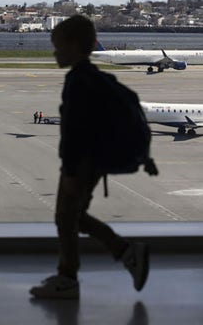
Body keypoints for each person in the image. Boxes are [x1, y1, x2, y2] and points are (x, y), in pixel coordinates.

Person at [29, 15, 149, 299]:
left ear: (73, 46)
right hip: (94, 161)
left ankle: (69, 277)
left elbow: (74, 132)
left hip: (81, 164)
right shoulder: (96, 79)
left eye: (57, 47)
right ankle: (123, 253)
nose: (55, 53)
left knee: (65, 218)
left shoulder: (78, 82)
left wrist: (70, 171)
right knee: (73, 217)